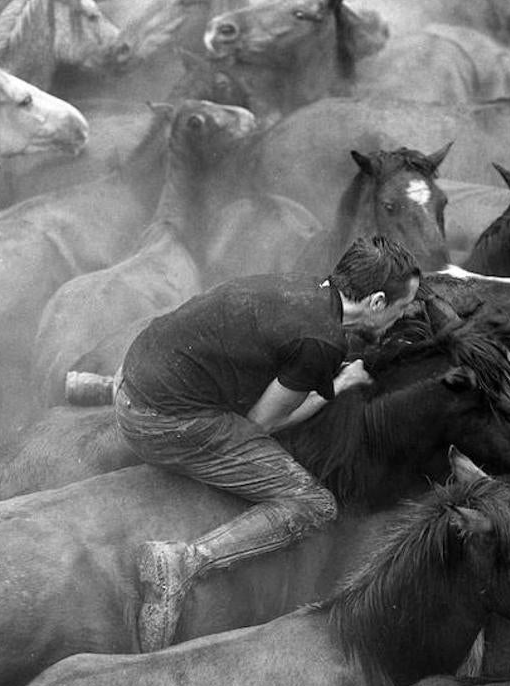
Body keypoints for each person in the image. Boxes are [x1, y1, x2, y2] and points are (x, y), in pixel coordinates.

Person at [114, 235, 423, 651]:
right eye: (402, 309)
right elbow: (261, 424)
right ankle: (186, 562)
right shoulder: (322, 342)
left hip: (135, 373)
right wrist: (339, 382)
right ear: (377, 302)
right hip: (159, 423)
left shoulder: (303, 287)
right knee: (313, 504)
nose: (400, 318)